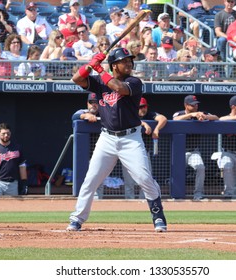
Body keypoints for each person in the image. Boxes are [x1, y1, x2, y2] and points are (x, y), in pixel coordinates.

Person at [67, 47, 167, 232]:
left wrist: (99, 69)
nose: (128, 63)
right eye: (124, 61)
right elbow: (76, 79)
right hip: (107, 139)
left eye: (130, 60)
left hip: (131, 138)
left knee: (144, 177)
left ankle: (158, 215)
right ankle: (77, 218)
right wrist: (89, 66)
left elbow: (118, 88)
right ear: (114, 65)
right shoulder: (98, 82)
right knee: (91, 180)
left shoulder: (134, 82)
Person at [173, 95, 219, 200]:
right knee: (177, 171)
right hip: (179, 151)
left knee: (200, 167)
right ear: (186, 105)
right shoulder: (179, 113)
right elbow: (175, 119)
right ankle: (176, 195)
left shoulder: (200, 113)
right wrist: (191, 115)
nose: (195, 106)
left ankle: (198, 194)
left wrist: (205, 117)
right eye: (192, 105)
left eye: (196, 104)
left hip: (193, 151)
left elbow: (217, 118)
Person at [123, 97, 168, 199]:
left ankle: (143, 202)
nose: (142, 109)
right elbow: (132, 121)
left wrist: (156, 129)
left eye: (143, 107)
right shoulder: (130, 113)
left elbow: (163, 118)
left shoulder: (150, 114)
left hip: (143, 153)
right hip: (127, 152)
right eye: (139, 107)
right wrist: (143, 123)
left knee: (145, 179)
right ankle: (128, 203)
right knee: (129, 180)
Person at [71, 93, 104, 199]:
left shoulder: (105, 113)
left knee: (99, 182)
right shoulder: (82, 111)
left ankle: (100, 204)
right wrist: (86, 116)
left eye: (96, 102)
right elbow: (74, 116)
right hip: (84, 154)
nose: (93, 105)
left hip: (101, 153)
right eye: (91, 102)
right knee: (86, 180)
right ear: (87, 103)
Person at [0, 122, 28, 196]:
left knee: (12, 206)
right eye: (3, 133)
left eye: (8, 133)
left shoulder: (17, 148)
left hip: (13, 183)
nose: (6, 135)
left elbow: (22, 166)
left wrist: (24, 183)